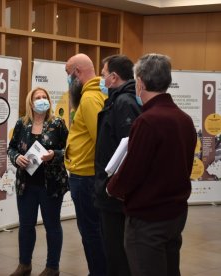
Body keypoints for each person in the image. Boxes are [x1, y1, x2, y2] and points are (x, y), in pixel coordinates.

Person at [106, 53, 197, 276]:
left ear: (140, 83)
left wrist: (112, 187)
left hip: (148, 218)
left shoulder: (147, 121)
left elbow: (132, 171)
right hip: (174, 214)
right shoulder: (184, 119)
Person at [7, 87, 69, 276]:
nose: (42, 100)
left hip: (50, 185)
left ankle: (52, 267)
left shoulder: (57, 124)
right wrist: (16, 157)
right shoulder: (21, 124)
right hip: (26, 185)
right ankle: (24, 265)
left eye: (44, 97)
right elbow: (11, 148)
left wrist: (54, 155)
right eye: (38, 98)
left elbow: (70, 150)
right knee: (26, 226)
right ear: (30, 102)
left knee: (52, 225)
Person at [94, 54, 141, 276]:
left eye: (103, 75)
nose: (101, 80)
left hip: (115, 193)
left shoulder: (124, 103)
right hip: (111, 189)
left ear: (113, 77)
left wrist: (111, 186)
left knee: (117, 253)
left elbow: (128, 151)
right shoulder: (119, 100)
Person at [65, 53, 107, 275]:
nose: (68, 81)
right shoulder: (97, 93)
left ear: (77, 73)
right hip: (89, 176)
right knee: (96, 230)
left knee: (91, 232)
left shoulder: (90, 98)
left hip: (85, 177)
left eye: (68, 75)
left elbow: (99, 138)